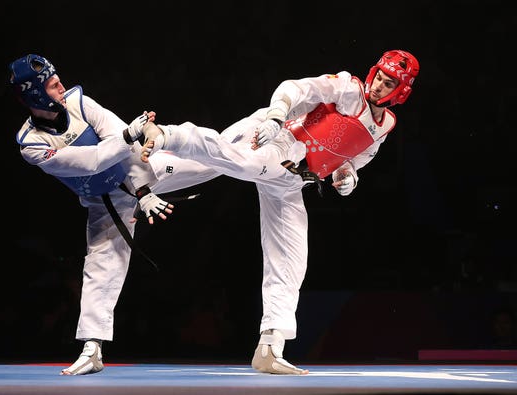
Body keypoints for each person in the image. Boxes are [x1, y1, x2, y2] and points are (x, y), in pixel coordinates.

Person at [140, 50, 420, 375]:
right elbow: (295, 87)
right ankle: (166, 137)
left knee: (291, 259)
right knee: (237, 163)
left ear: (400, 93)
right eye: (380, 77)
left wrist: (347, 177)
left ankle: (270, 347)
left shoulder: (383, 127)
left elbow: (355, 160)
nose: (379, 86)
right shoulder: (348, 88)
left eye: (389, 84)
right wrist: (275, 116)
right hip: (276, 136)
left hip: (292, 179)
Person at [9, 54, 219, 375]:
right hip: (102, 200)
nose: (62, 88)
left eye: (59, 81)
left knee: (210, 159)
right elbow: (92, 159)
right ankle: (92, 350)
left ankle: (262, 145)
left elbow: (128, 144)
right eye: (53, 85)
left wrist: (143, 189)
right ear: (34, 95)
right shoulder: (32, 144)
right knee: (100, 266)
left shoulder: (79, 102)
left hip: (138, 170)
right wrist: (129, 147)